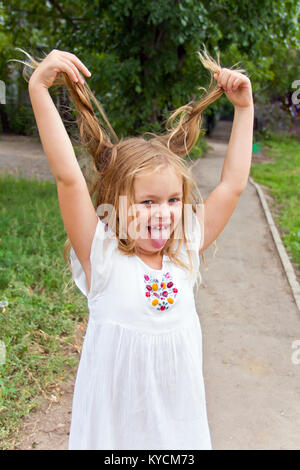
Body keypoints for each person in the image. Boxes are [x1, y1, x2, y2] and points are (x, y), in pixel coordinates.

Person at [16, 45, 253, 450]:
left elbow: (232, 185)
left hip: (176, 433)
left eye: (173, 201)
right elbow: (68, 177)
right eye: (147, 202)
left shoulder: (185, 247)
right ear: (116, 202)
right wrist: (39, 86)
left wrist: (244, 109)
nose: (162, 214)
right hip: (112, 434)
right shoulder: (101, 255)